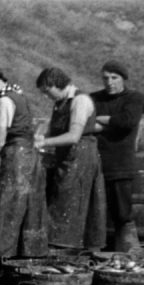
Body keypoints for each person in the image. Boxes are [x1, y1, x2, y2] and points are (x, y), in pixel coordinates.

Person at [0, 66, 47, 262]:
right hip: (29, 156)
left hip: (17, 158)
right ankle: (24, 257)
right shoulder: (18, 94)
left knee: (6, 208)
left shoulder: (5, 100)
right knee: (26, 210)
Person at [35, 67, 106, 251]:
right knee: (61, 202)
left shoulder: (80, 101)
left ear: (55, 84)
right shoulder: (60, 102)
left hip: (81, 158)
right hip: (66, 159)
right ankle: (61, 246)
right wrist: (39, 135)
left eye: (46, 91)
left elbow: (74, 135)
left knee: (71, 204)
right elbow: (52, 128)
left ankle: (69, 249)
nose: (46, 96)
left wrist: (44, 142)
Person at [89, 61, 144, 251]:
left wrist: (103, 120)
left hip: (121, 165)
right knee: (97, 213)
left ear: (123, 78)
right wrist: (113, 123)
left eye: (114, 77)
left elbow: (127, 122)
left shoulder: (134, 98)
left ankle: (128, 254)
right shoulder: (94, 98)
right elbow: (86, 124)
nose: (109, 82)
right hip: (96, 164)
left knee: (123, 214)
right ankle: (97, 255)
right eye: (105, 78)